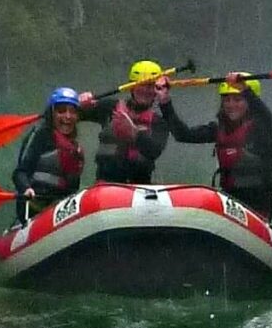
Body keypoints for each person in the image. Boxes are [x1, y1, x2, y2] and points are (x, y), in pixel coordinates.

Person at [167, 71, 272, 219]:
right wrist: (165, 103)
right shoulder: (218, 129)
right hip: (230, 203)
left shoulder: (263, 130)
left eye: (237, 99)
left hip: (257, 206)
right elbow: (183, 134)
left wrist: (245, 89)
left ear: (250, 101)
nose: (231, 105)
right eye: (226, 100)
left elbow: (266, 117)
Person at [79, 60, 180, 185]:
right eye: (142, 85)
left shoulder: (158, 122)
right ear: (132, 87)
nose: (146, 91)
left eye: (151, 86)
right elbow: (68, 116)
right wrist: (80, 102)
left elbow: (154, 151)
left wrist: (134, 134)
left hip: (140, 188)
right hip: (106, 185)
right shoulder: (109, 107)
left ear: (156, 91)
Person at [10, 86, 88, 222]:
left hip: (59, 211)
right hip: (34, 207)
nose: (67, 117)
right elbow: (19, 173)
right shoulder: (40, 135)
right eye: (61, 111)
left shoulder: (75, 148)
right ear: (52, 114)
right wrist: (26, 188)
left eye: (72, 112)